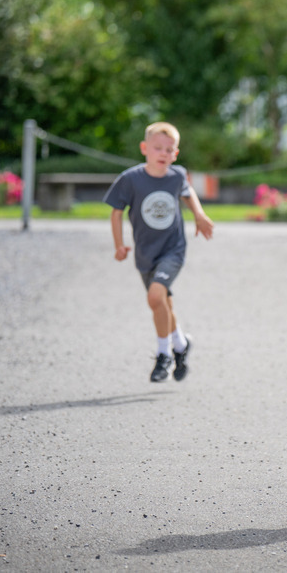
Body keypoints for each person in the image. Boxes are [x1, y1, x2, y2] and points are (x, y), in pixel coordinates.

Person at [104, 121, 214, 383]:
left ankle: (163, 355)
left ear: (175, 154)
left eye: (169, 149)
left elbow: (188, 194)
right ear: (144, 149)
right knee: (163, 303)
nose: (163, 153)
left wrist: (199, 215)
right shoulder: (130, 179)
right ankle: (181, 343)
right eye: (158, 148)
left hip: (172, 250)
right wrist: (119, 244)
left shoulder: (176, 175)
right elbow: (116, 213)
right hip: (145, 253)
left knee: (155, 297)